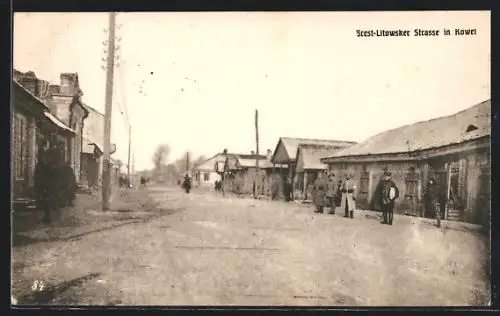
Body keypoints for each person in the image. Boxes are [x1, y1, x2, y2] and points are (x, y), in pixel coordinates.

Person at [35, 147, 58, 223]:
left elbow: (49, 177)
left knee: (46, 201)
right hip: (43, 186)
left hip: (46, 186)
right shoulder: (42, 165)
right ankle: (47, 216)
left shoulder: (46, 166)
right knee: (44, 201)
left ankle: (48, 216)